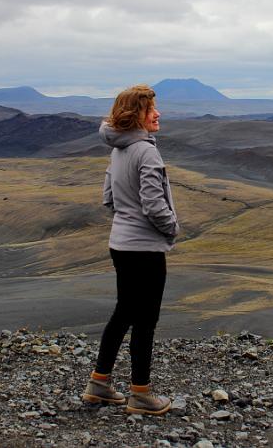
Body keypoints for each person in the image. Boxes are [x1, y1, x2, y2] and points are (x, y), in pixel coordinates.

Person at [82, 84, 180, 415]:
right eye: (150, 109)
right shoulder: (146, 151)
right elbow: (154, 204)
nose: (157, 113)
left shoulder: (118, 149)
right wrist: (172, 227)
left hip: (121, 245)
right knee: (145, 320)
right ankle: (141, 395)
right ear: (135, 115)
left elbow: (109, 198)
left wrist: (127, 220)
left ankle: (99, 383)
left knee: (123, 312)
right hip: (145, 249)